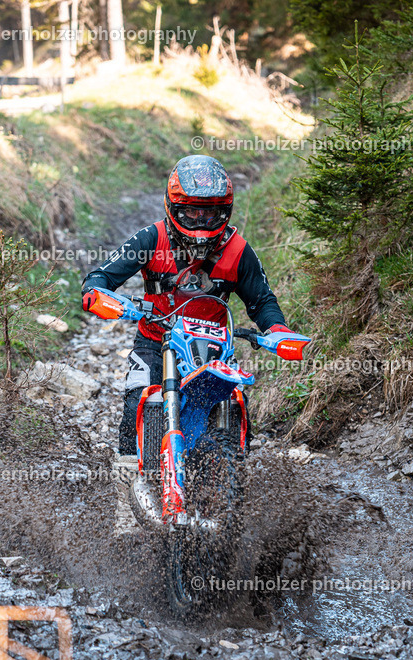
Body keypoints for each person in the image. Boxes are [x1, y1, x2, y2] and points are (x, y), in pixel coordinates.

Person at [81, 155, 297, 475]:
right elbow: (101, 276)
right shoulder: (150, 239)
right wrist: (97, 295)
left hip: (211, 347)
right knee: (135, 403)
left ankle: (233, 480)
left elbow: (262, 300)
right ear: (174, 208)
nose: (200, 222)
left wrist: (278, 330)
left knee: (236, 405)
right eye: (192, 212)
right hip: (156, 340)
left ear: (224, 212)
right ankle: (128, 485)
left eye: (210, 213)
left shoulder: (238, 250)